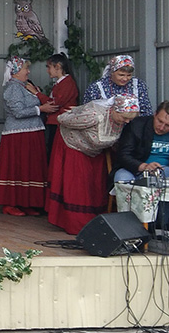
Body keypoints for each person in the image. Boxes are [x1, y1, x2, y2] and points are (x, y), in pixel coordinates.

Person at [45, 95, 140, 235]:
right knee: (78, 185)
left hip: (94, 151)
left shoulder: (120, 120)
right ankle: (76, 223)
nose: (127, 121)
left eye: (129, 119)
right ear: (114, 110)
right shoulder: (94, 116)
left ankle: (95, 221)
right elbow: (62, 119)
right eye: (124, 117)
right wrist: (74, 113)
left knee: (94, 185)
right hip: (74, 146)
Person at [114, 101, 169, 229]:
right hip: (133, 168)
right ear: (155, 114)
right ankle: (128, 227)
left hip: (163, 172)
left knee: (165, 173)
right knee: (121, 177)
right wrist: (143, 166)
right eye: (159, 121)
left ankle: (163, 226)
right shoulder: (137, 125)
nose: (161, 127)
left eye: (168, 126)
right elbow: (123, 154)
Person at [0, 57, 57, 216]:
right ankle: (10, 203)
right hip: (18, 134)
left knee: (30, 168)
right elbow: (18, 112)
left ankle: (27, 202)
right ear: (16, 72)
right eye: (25, 69)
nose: (28, 72)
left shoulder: (24, 86)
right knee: (18, 168)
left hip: (31, 132)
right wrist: (40, 109)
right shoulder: (13, 88)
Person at [29, 53, 79, 157]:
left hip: (58, 124)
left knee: (53, 152)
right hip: (55, 122)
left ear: (58, 66)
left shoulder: (67, 83)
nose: (47, 71)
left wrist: (36, 93)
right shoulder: (61, 83)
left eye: (49, 67)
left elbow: (54, 104)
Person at [82, 55, 153, 116]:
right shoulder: (96, 87)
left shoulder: (138, 85)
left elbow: (146, 110)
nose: (125, 79)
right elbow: (89, 113)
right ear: (112, 72)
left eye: (129, 75)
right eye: (121, 75)